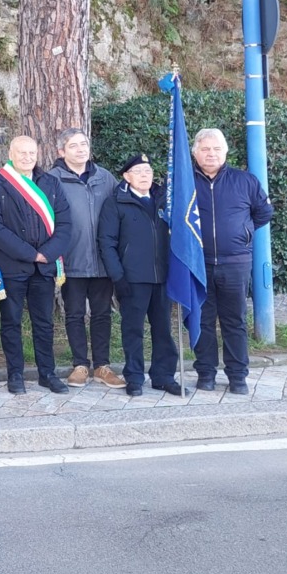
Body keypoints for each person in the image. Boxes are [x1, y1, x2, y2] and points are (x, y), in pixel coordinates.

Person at [0, 135, 72, 394]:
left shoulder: (50, 183)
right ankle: (15, 374)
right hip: (12, 266)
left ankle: (47, 373)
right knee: (11, 322)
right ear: (11, 153)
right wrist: (29, 253)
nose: (27, 157)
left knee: (44, 323)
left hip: (44, 267)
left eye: (31, 152)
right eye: (21, 152)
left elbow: (65, 223)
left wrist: (47, 254)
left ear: (38, 153)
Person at [191, 128, 273, 395]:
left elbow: (263, 213)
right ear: (195, 152)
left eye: (216, 149)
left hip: (236, 263)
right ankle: (205, 373)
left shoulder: (245, 181)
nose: (210, 154)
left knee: (234, 321)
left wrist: (242, 234)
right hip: (198, 263)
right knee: (202, 320)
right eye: (205, 149)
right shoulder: (184, 182)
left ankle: (238, 376)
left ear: (225, 152)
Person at [96, 153, 180, 396]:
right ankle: (134, 377)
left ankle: (163, 376)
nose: (145, 176)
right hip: (132, 279)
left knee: (163, 329)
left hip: (163, 278)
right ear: (126, 176)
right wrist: (118, 277)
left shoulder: (165, 200)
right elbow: (107, 243)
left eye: (148, 171)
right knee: (132, 331)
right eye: (138, 172)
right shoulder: (116, 203)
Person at [49, 128, 123, 388]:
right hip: (71, 260)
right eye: (73, 146)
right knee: (74, 313)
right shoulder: (51, 179)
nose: (80, 149)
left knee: (102, 314)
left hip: (103, 261)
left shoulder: (106, 177)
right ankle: (80, 365)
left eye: (84, 144)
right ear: (61, 151)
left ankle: (102, 365)